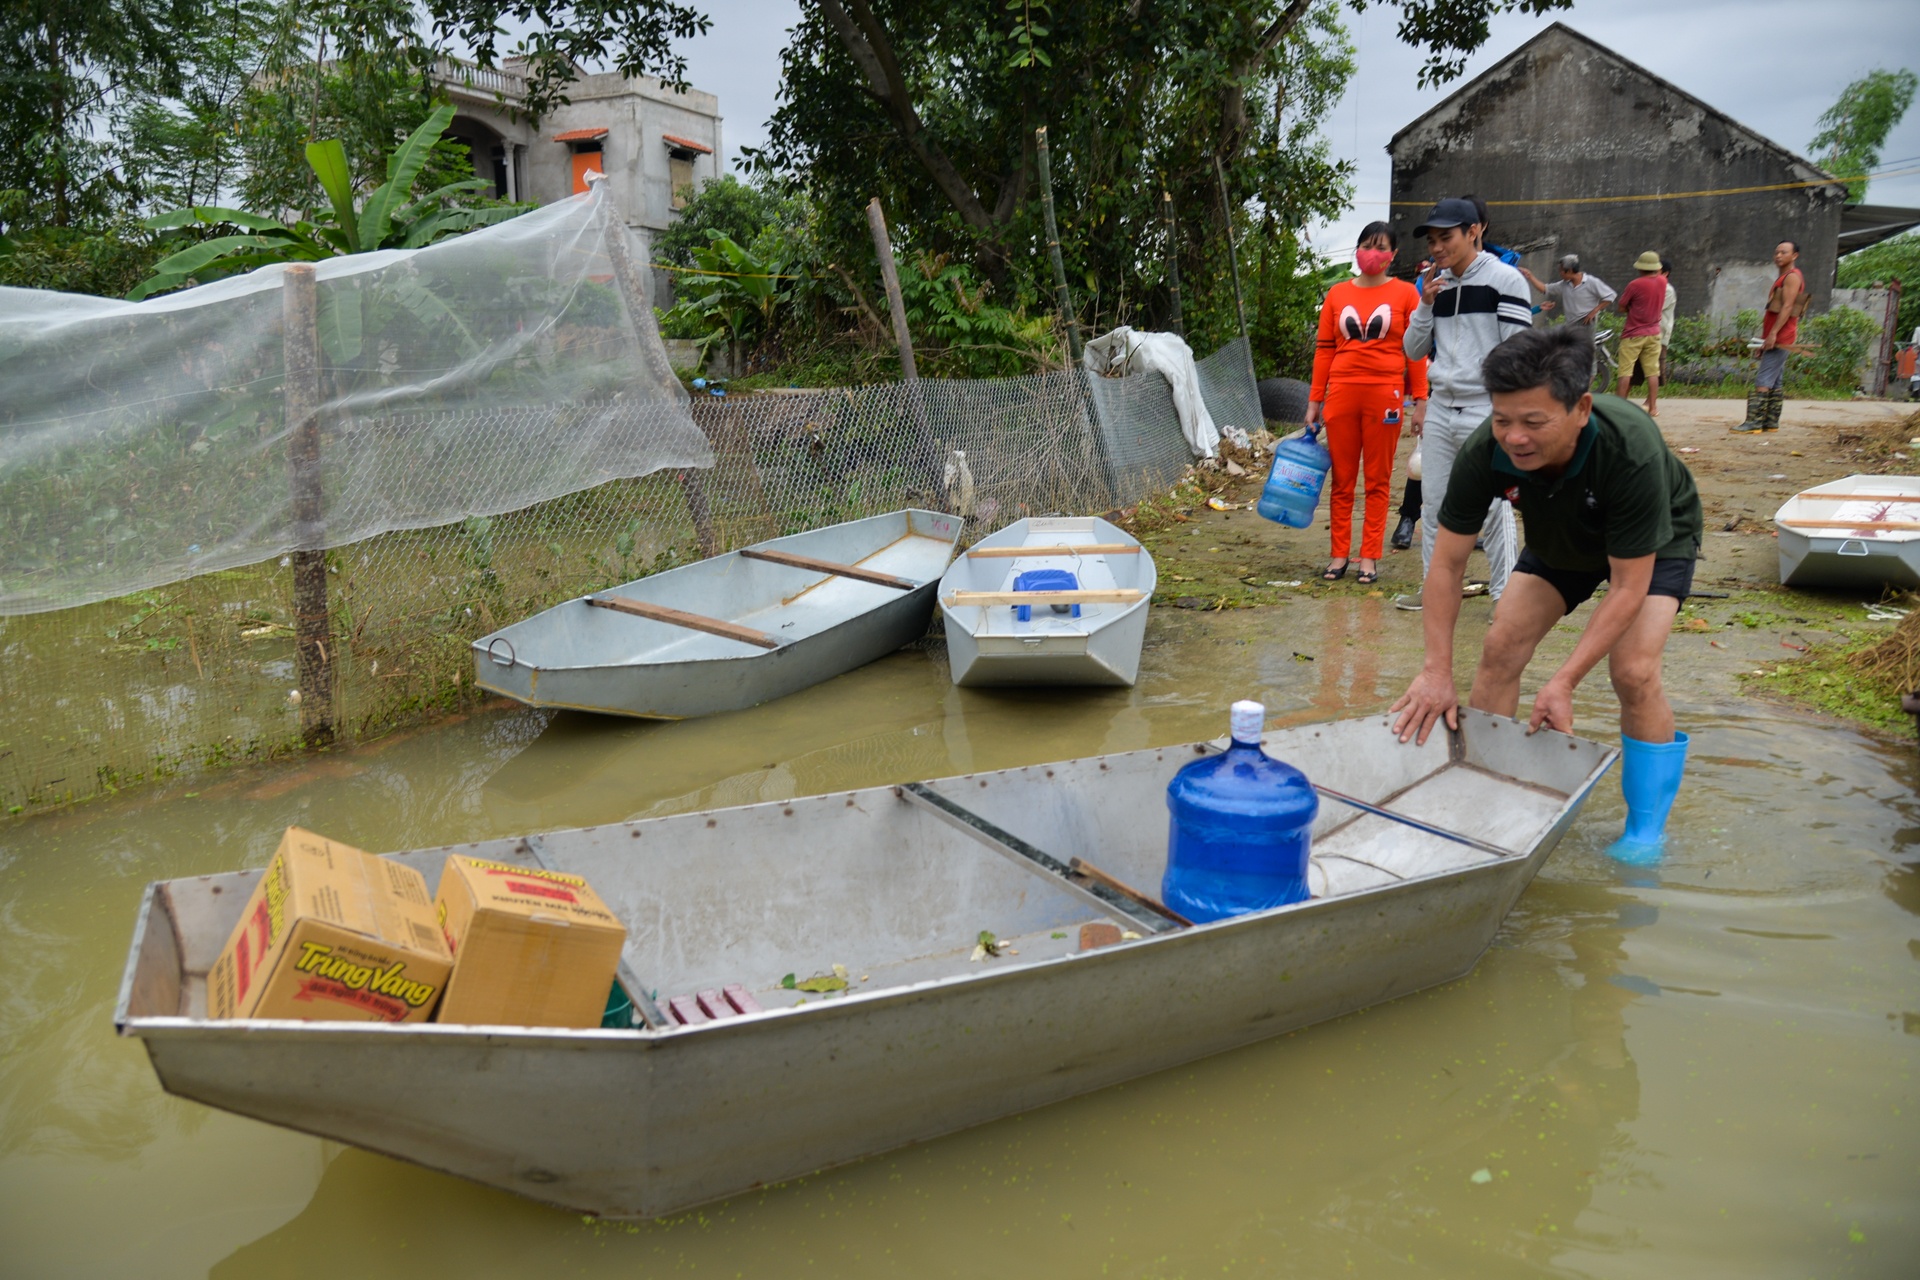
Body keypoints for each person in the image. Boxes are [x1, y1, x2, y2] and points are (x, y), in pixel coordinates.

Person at [1389, 325, 1702, 863]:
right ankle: (1485, 801)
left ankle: (1645, 831)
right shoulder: (1485, 449)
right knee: (1500, 648)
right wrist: (1436, 670)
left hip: (1655, 541)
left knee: (1633, 671)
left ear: (1581, 408)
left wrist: (1564, 681)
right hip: (1562, 534)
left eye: (1534, 422)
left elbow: (1628, 585)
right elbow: (1447, 563)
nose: (1515, 437)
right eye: (1502, 419)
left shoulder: (1630, 447)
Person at [1399, 197, 1531, 611]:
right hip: (1441, 408)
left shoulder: (1504, 280)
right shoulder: (1435, 286)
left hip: (1485, 410)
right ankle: (1436, 590)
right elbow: (1413, 349)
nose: (1437, 248)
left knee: (1494, 507)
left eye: (1446, 238)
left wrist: (1507, 415)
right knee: (1435, 506)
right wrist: (1425, 304)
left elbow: (1518, 353)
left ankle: (1504, 598)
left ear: (1474, 232)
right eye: (1432, 241)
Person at [1305, 222, 1429, 584]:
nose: (1373, 253)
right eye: (1367, 245)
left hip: (1386, 396)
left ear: (1393, 255)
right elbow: (1324, 350)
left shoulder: (1406, 294)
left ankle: (1369, 557)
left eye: (1381, 247)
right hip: (1341, 395)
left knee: (1378, 480)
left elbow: (1416, 352)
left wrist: (1421, 400)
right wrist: (1315, 400)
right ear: (1357, 250)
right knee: (1342, 480)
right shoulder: (1337, 293)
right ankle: (1339, 554)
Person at [1732, 240, 1805, 433]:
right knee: (1775, 379)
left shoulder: (1792, 277)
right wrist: (1765, 336)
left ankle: (1754, 422)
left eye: (1784, 252)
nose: (1778, 256)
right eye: (1776, 252)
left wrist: (1773, 334)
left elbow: (1787, 307)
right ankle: (1770, 422)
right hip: (1777, 335)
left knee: (1764, 378)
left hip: (1781, 336)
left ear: (1794, 255)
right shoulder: (1784, 277)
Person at [1614, 251, 1667, 417]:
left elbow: (1621, 307)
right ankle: (1653, 408)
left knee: (1625, 371)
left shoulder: (1635, 284)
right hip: (1654, 332)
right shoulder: (1663, 281)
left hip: (1633, 333)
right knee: (1653, 372)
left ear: (1641, 268)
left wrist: (1633, 309)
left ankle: (1619, 408)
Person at [1522, 254, 1616, 326]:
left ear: (1570, 271)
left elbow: (1611, 295)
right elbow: (1544, 289)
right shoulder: (1564, 284)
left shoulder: (1591, 282)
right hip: (1571, 323)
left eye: (1561, 271)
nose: (1560, 273)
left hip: (1586, 321)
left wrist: (1594, 311)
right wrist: (1530, 276)